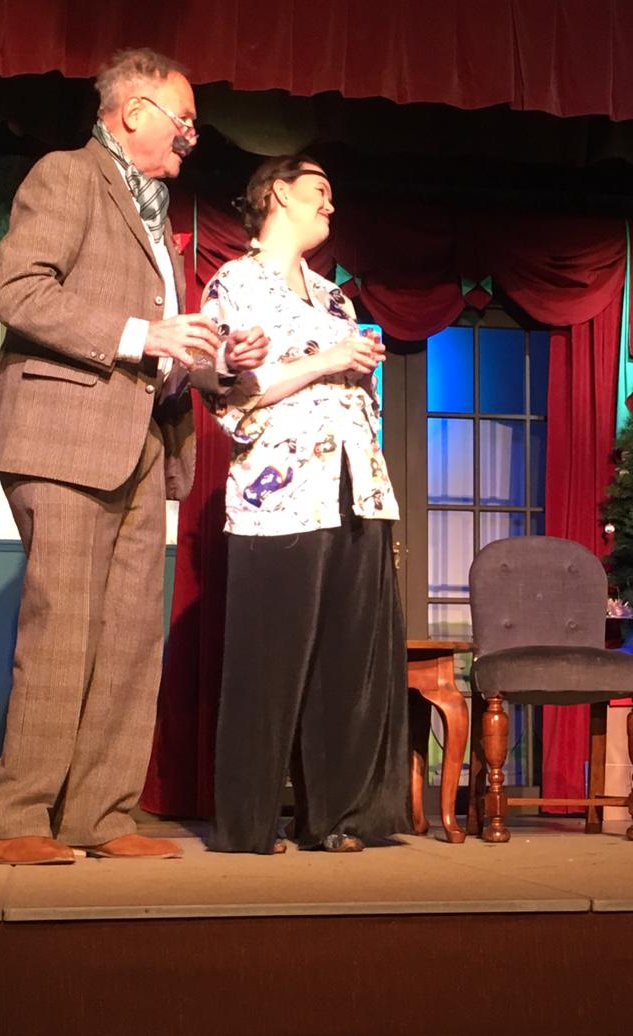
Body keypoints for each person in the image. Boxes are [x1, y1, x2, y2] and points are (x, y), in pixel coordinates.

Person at [0, 47, 267, 865]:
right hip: (65, 437)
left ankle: (99, 814)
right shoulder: (67, 176)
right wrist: (143, 334)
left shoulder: (154, 212)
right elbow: (20, 291)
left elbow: (163, 343)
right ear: (134, 112)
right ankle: (16, 817)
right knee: (63, 627)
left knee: (132, 638)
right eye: (184, 121)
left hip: (144, 440)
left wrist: (217, 360)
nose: (192, 138)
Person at [200, 155, 409, 854]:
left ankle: (335, 816)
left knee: (346, 661)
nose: (330, 204)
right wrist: (326, 361)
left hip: (355, 488)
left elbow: (351, 393)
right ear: (279, 193)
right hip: (279, 496)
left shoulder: (334, 297)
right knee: (270, 662)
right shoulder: (235, 282)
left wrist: (358, 367)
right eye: (320, 190)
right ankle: (249, 823)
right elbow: (234, 394)